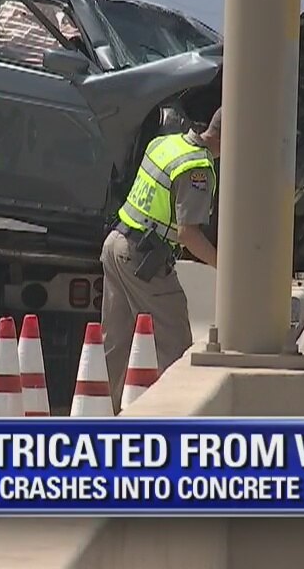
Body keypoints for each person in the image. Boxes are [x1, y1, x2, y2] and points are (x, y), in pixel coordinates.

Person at [100, 108, 222, 411]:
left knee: (115, 343)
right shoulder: (197, 168)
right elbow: (188, 234)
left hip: (116, 245)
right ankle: (176, 418)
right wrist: (225, 267)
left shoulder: (167, 142)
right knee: (174, 342)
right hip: (143, 259)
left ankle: (99, 412)